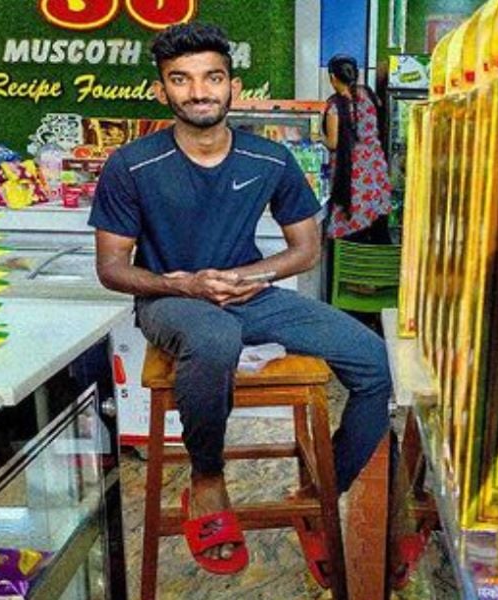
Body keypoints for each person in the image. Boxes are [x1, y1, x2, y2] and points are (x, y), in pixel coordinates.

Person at [89, 23, 392, 581]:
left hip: (251, 293)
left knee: (374, 360)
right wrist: (185, 285)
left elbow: (305, 249)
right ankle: (207, 479)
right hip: (170, 298)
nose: (198, 91)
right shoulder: (130, 165)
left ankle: (322, 491)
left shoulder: (269, 158)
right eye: (180, 79)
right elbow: (112, 268)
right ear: (161, 89)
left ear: (234, 86)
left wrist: (251, 276)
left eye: (212, 77)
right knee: (214, 336)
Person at [322, 54, 394, 244]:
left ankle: (348, 254)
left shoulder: (334, 106)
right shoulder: (369, 94)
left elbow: (333, 143)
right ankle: (375, 255)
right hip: (375, 166)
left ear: (332, 77)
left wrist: (317, 137)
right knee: (376, 217)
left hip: (350, 172)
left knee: (350, 220)